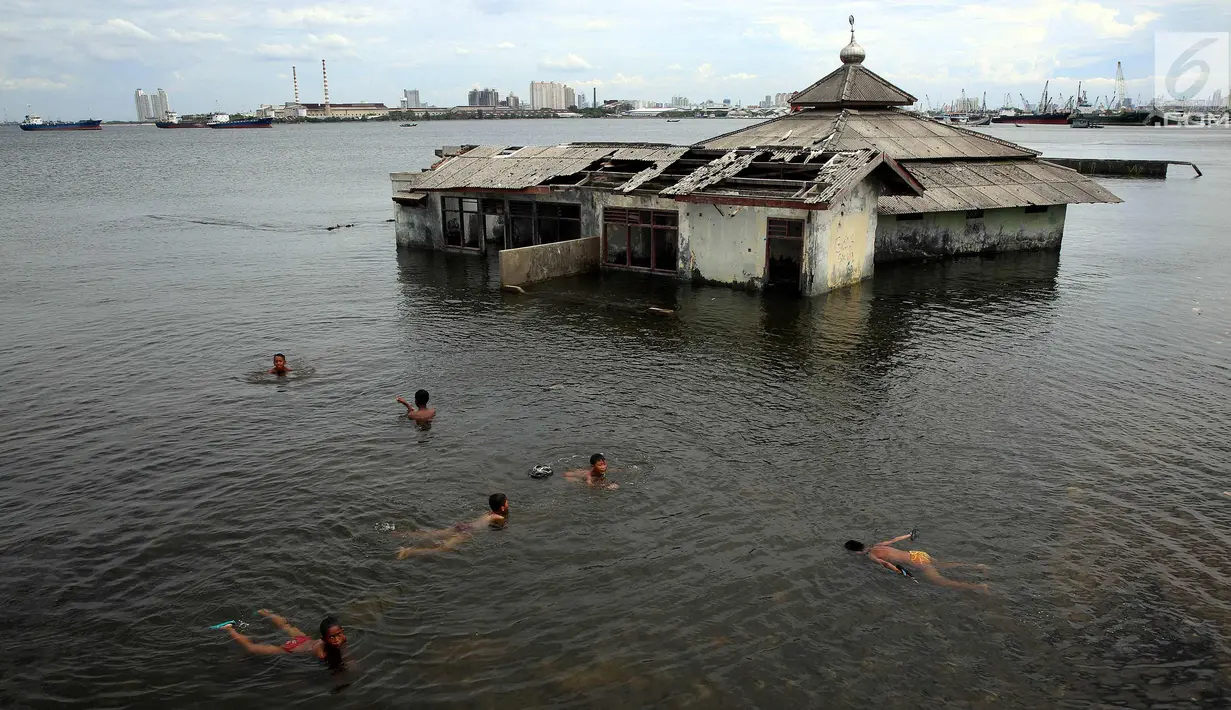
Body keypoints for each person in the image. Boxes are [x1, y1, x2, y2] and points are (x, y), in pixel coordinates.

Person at [845, 534, 989, 593]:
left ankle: (979, 586)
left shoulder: (871, 556)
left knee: (941, 582)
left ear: (857, 552)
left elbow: (885, 564)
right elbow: (894, 540)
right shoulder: (877, 545)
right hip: (917, 553)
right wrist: (909, 534)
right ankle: (977, 566)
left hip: (915, 561)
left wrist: (902, 573)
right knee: (943, 564)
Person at [221, 609, 348, 670]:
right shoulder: (321, 654)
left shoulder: (342, 639)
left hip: (304, 639)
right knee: (252, 648)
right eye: (332, 637)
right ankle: (229, 628)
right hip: (290, 649)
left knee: (286, 626)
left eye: (339, 634)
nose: (337, 639)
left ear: (342, 632)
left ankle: (263, 612)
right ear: (323, 639)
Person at [395, 494, 508, 560]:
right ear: (502, 508)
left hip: (464, 526)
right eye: (507, 502)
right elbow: (500, 527)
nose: (508, 504)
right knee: (443, 548)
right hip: (467, 533)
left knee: (433, 534)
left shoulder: (488, 513)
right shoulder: (499, 517)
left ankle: (403, 534)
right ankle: (408, 552)